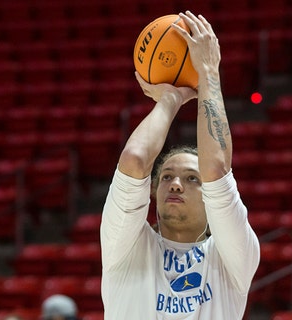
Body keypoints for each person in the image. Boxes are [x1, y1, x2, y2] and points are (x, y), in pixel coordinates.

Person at [100, 11, 260, 319]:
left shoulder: (232, 257)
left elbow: (216, 169)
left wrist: (209, 73)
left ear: (210, 198)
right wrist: (170, 100)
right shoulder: (126, 247)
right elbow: (134, 160)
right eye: (167, 176)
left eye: (191, 179)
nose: (175, 183)